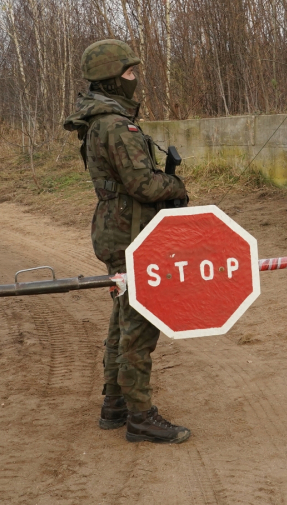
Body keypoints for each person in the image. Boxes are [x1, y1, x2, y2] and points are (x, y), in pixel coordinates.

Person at [63, 39, 191, 442]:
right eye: (130, 74)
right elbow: (140, 183)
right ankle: (140, 415)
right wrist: (174, 184)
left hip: (115, 228)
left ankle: (115, 402)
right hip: (132, 232)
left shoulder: (99, 120)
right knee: (141, 321)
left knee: (123, 317)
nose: (135, 80)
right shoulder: (117, 125)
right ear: (113, 80)